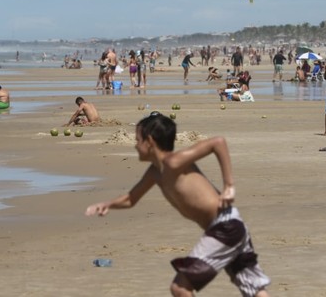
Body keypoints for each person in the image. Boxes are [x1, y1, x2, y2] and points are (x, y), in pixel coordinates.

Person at [85, 113, 271, 297]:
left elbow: (218, 142)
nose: (135, 145)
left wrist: (229, 186)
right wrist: (107, 204)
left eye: (137, 139)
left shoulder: (174, 162)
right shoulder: (155, 172)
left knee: (180, 288)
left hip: (225, 227)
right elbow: (131, 199)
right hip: (231, 226)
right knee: (254, 289)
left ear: (149, 141)